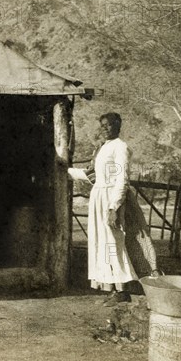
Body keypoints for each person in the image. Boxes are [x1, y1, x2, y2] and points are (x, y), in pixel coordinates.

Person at [69, 113, 141, 305]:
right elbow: (93, 176)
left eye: (109, 125)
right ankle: (113, 289)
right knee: (101, 242)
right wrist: (66, 170)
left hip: (110, 198)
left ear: (118, 125)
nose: (105, 129)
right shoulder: (103, 148)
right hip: (98, 197)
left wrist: (114, 207)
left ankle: (123, 290)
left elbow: (122, 180)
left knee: (113, 242)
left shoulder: (121, 147)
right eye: (102, 126)